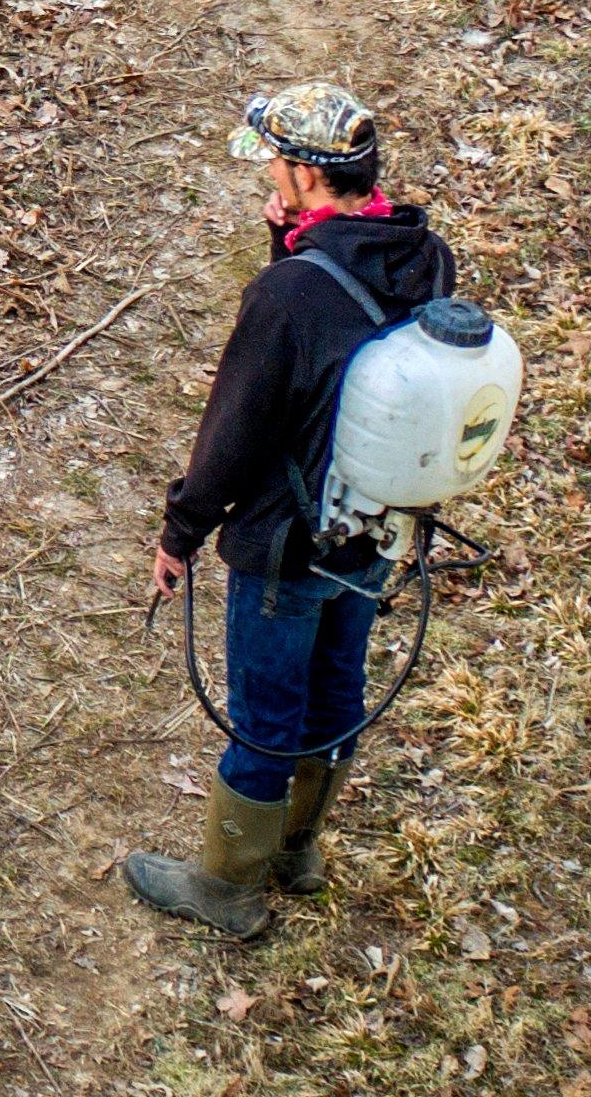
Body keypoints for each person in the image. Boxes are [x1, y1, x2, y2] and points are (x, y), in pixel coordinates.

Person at [126, 84, 459, 941]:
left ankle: (230, 888)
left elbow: (236, 432)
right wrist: (289, 244)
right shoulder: (421, 253)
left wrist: (181, 531)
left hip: (287, 546)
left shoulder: (289, 300)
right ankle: (300, 849)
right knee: (336, 688)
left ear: (307, 173)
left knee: (265, 720)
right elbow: (336, 345)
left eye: (277, 161)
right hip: (378, 529)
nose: (268, 172)